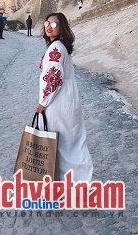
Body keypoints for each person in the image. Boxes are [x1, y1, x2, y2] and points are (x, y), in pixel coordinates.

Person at [36, 13, 93, 182]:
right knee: (72, 143)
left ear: (62, 28)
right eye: (47, 23)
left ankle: (72, 181)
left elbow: (54, 77)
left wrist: (42, 102)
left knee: (60, 144)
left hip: (58, 102)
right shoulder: (60, 46)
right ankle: (77, 179)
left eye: (54, 24)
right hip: (67, 99)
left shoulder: (55, 48)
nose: (49, 26)